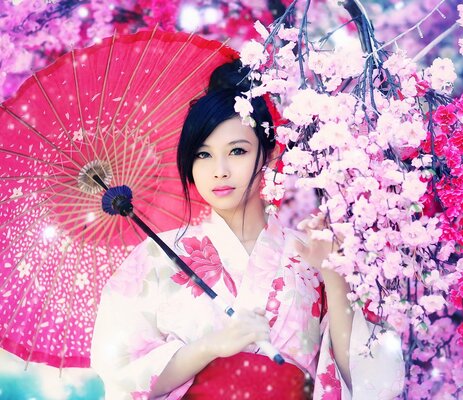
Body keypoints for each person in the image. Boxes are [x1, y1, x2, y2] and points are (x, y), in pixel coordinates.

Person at [90, 59, 404, 400]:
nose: (219, 171)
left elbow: (368, 379)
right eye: (203, 155)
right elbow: (119, 375)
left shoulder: (309, 252)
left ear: (270, 154)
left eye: (237, 151)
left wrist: (332, 274)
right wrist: (210, 347)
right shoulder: (155, 257)